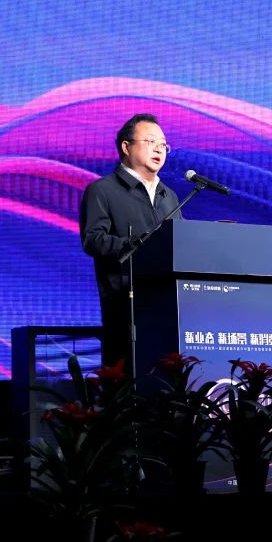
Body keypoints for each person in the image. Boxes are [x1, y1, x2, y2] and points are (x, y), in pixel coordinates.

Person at [79, 113, 184, 371]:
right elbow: (93, 240)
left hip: (169, 307)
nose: (159, 149)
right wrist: (136, 245)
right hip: (125, 307)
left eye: (163, 144)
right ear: (126, 147)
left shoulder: (169, 196)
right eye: (150, 141)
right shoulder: (102, 190)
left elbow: (180, 243)